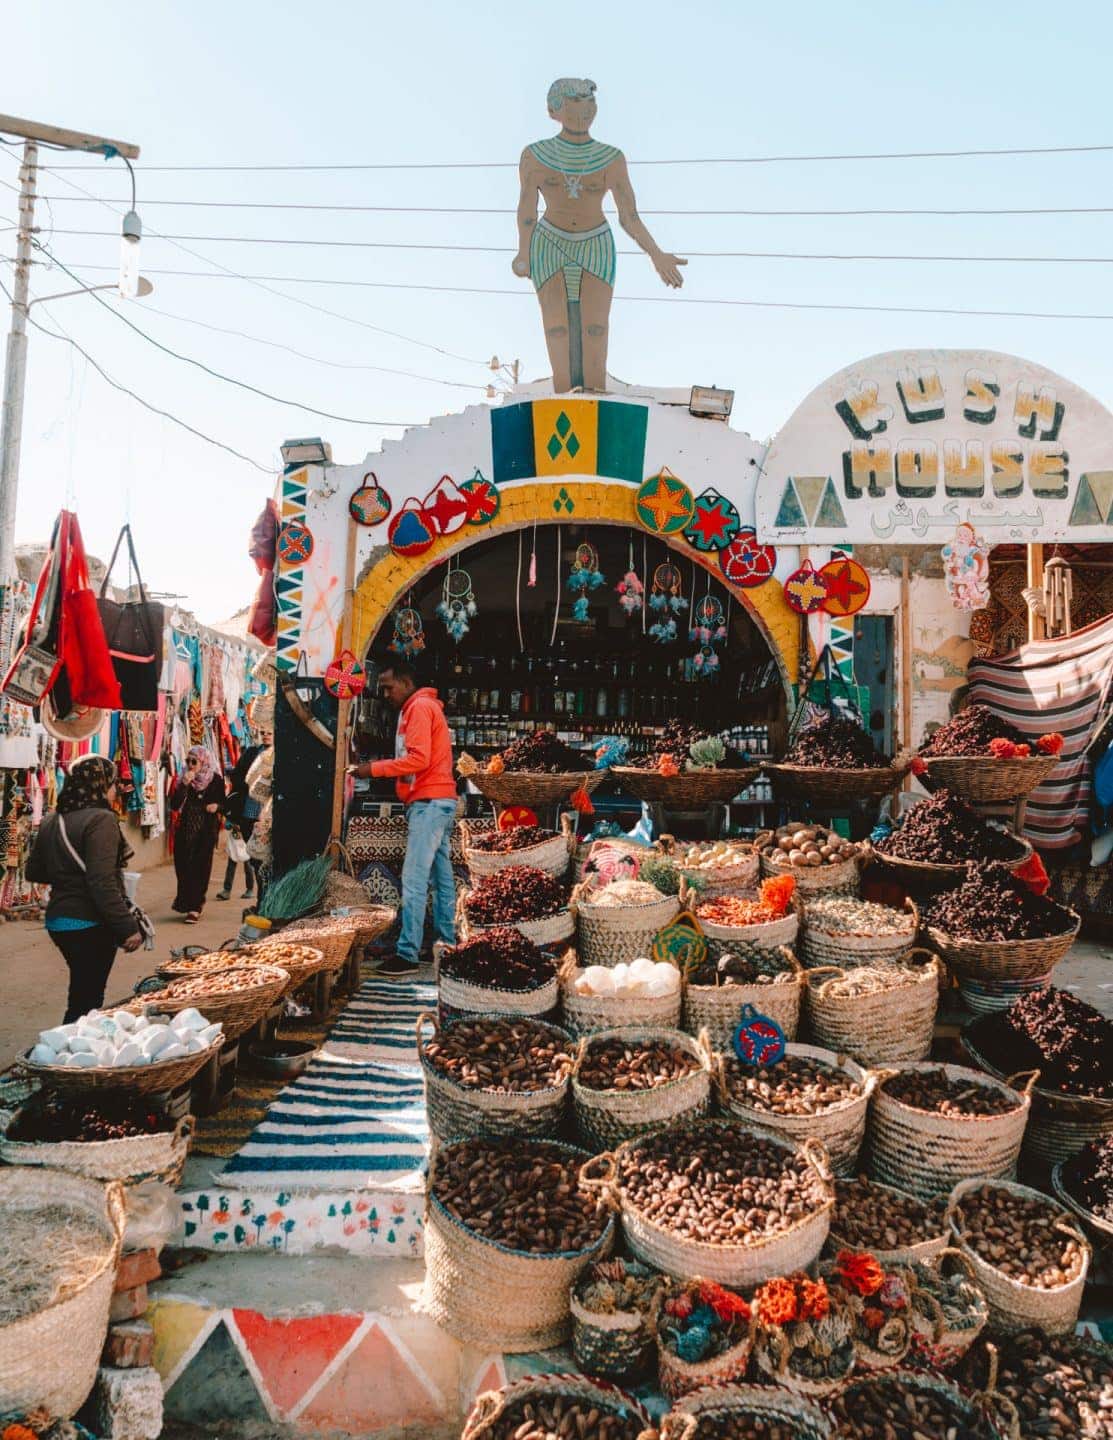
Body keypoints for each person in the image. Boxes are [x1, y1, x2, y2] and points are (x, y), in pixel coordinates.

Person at [513, 77, 686, 392]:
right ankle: (563, 396)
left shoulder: (611, 158)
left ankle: (595, 394)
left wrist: (656, 254)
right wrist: (523, 252)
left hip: (596, 243)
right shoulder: (535, 155)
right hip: (549, 242)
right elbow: (527, 209)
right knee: (556, 329)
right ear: (555, 110)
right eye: (575, 102)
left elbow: (629, 216)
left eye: (590, 102)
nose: (585, 110)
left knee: (595, 327)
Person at [350, 660, 456, 979]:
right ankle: (445, 946)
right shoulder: (421, 706)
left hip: (430, 802)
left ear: (407, 683)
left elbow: (418, 759)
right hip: (437, 801)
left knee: (414, 879)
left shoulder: (419, 707)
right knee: (441, 879)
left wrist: (373, 769)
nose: (384, 694)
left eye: (388, 687)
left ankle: (407, 954)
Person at [26, 754, 143, 1022]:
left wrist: (66, 871)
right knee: (86, 1002)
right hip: (88, 923)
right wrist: (127, 927)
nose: (116, 790)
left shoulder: (52, 819)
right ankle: (62, 1058)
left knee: (83, 993)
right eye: (113, 784)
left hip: (59, 920)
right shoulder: (101, 820)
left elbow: (34, 871)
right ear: (102, 785)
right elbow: (102, 883)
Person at [170, 744, 225, 923]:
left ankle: (195, 906)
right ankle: (185, 902)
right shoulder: (183, 780)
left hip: (206, 830)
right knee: (183, 867)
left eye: (194, 761)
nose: (191, 765)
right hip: (186, 829)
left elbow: (224, 803)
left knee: (200, 867)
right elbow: (174, 805)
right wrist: (184, 785)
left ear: (203, 762)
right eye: (188, 761)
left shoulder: (215, 779)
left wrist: (217, 806)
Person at [216, 728, 270, 901]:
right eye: (263, 732)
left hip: (269, 816)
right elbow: (238, 777)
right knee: (256, 860)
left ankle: (265, 901)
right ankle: (262, 902)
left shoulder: (283, 753)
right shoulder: (252, 753)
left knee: (269, 863)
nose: (266, 734)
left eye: (269, 731)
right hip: (249, 813)